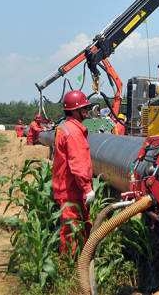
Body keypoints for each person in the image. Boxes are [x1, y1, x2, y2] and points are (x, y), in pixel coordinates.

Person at [52, 90, 95, 254]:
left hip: (67, 188)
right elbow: (78, 163)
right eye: (83, 108)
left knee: (76, 229)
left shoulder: (66, 127)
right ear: (74, 111)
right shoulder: (74, 133)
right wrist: (87, 189)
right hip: (71, 191)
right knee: (72, 232)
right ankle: (70, 267)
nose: (86, 111)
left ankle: (76, 263)